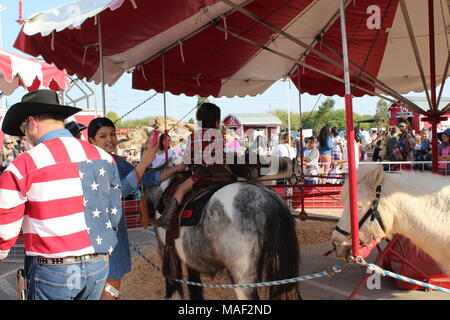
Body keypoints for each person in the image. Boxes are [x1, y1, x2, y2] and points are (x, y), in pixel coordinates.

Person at [0, 89, 122, 300]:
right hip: (98, 264)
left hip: (53, 268)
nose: (25, 133)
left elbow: (4, 227)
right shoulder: (105, 158)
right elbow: (114, 214)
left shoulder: (24, 164)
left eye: (23, 128)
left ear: (32, 122)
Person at [87, 117, 185, 299]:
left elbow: (146, 179)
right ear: (91, 140)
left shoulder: (117, 161)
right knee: (108, 286)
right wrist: (143, 163)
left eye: (112, 134)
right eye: (103, 136)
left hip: (114, 237)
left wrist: (178, 168)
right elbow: (117, 191)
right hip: (99, 239)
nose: (110, 139)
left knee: (113, 285)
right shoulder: (91, 164)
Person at [153, 102, 227, 229]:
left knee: (180, 189)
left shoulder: (194, 136)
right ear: (216, 122)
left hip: (201, 174)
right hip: (223, 174)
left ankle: (166, 218)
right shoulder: (220, 136)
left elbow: (187, 159)